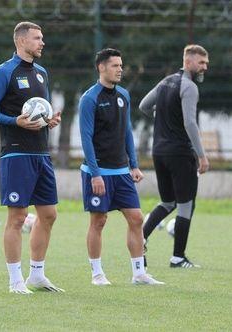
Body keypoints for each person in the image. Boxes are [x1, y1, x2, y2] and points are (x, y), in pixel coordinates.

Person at [0, 22, 63, 294]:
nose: (42, 43)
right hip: (16, 152)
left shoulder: (41, 73)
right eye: (37, 38)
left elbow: (42, 109)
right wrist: (15, 121)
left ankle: (36, 275)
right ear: (21, 41)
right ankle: (15, 280)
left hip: (41, 152)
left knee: (49, 214)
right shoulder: (4, 72)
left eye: (42, 37)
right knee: (17, 217)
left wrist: (49, 121)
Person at [78, 48, 164, 286]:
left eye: (121, 65)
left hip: (121, 172)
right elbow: (86, 138)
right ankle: (97, 273)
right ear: (101, 68)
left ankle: (138, 273)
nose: (120, 70)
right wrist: (95, 174)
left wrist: (133, 165)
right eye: (115, 65)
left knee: (136, 218)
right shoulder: (89, 99)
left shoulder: (123, 95)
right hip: (98, 173)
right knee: (99, 221)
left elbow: (126, 131)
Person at [139, 44, 210, 268]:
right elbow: (190, 122)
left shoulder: (165, 82)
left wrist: (162, 119)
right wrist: (202, 155)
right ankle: (178, 257)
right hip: (180, 153)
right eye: (201, 63)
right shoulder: (189, 87)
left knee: (167, 202)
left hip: (159, 151)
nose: (204, 68)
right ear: (187, 62)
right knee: (186, 204)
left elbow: (143, 106)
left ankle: (139, 239)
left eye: (206, 64)